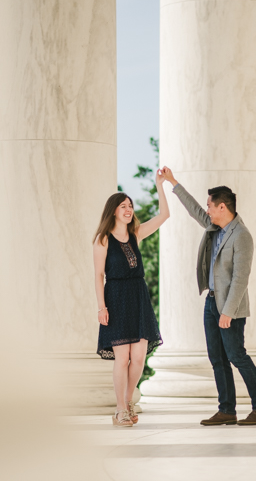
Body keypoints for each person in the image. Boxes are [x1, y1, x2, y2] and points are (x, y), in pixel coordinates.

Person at [160, 167, 256, 426]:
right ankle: (226, 410)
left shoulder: (242, 236)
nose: (207, 209)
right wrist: (173, 182)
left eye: (211, 205)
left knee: (237, 356)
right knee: (217, 358)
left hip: (228, 307)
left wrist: (227, 312)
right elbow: (194, 210)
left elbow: (240, 279)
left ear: (223, 207)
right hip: (210, 301)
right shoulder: (214, 226)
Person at [93, 170, 169, 427]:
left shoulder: (136, 233)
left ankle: (127, 402)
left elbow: (164, 216)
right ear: (113, 211)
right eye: (123, 206)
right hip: (115, 299)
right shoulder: (103, 240)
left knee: (138, 358)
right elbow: (98, 275)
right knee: (122, 358)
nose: (128, 209)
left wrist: (160, 185)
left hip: (138, 298)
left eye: (130, 206)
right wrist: (101, 307)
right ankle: (119, 410)